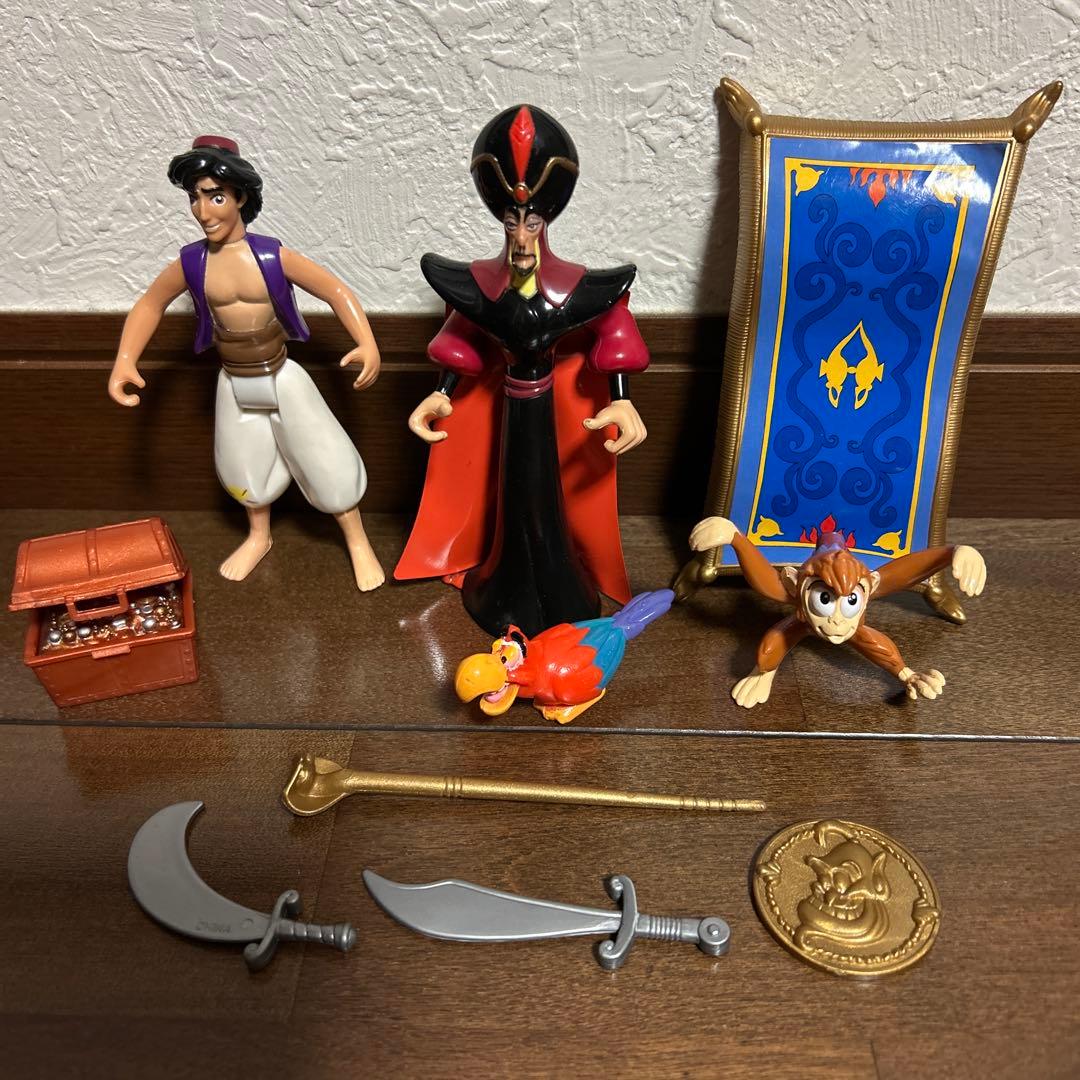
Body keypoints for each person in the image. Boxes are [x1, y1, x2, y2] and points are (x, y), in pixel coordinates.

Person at [395, 105, 650, 637]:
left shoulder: (571, 289)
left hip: (551, 415)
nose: (521, 237)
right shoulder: (481, 287)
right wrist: (443, 392)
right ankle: (501, 581)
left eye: (531, 222)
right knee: (510, 494)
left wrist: (622, 398)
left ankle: (559, 584)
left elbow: (613, 321)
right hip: (509, 415)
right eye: (512, 222)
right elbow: (462, 335)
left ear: (546, 219)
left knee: (549, 499)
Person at [107, 136, 384, 589]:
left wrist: (367, 342)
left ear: (239, 197)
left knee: (325, 456)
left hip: (282, 373)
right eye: (195, 197)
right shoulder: (192, 262)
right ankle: (259, 535)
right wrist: (125, 359)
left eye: (215, 196)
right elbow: (150, 304)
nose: (203, 211)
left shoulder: (271, 255)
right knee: (242, 465)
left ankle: (356, 540)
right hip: (233, 379)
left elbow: (335, 290)